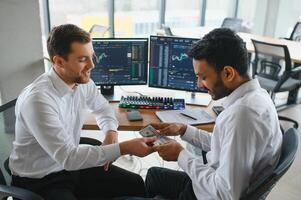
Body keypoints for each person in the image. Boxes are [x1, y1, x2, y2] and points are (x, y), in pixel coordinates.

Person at [9, 24, 156, 200]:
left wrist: (111, 132)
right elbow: (68, 158)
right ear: (58, 62)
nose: (92, 65)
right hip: (40, 179)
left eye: (91, 57)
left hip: (71, 168)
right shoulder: (38, 100)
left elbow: (103, 109)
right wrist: (123, 148)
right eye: (82, 59)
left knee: (134, 183)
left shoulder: (81, 82)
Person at [145, 28, 283, 200]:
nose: (199, 84)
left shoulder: (242, 116)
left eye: (203, 77)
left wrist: (181, 155)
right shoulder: (258, 95)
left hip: (209, 193)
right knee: (153, 175)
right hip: (209, 183)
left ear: (228, 73)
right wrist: (183, 130)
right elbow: (225, 144)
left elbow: (225, 193)